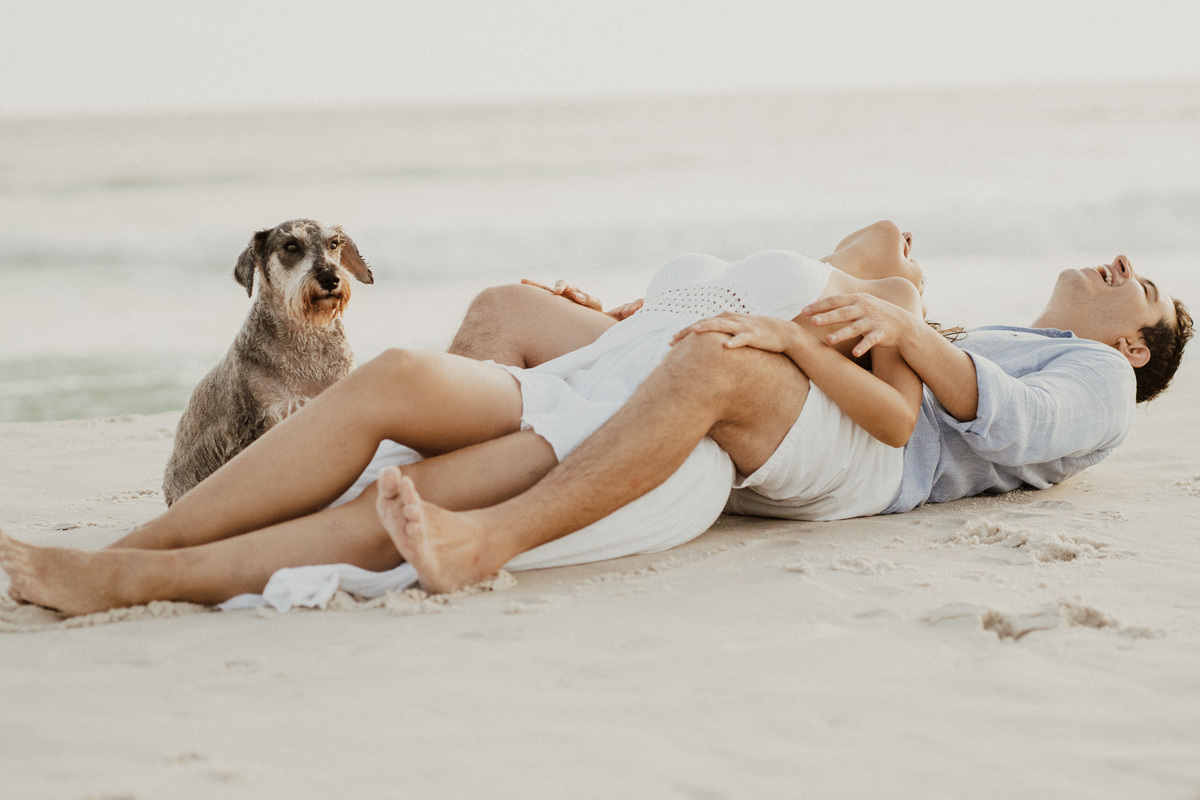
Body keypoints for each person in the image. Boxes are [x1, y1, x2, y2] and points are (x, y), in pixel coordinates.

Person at [2, 224, 1192, 611]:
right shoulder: (984, 324)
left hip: (846, 451)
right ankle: (129, 552)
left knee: (698, 368)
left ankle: (483, 535)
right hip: (759, 376)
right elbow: (841, 301)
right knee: (425, 358)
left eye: (1145, 287)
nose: (1126, 263)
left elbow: (987, 421)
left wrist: (840, 323)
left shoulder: (1086, 381)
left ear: (1135, 344)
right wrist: (631, 314)